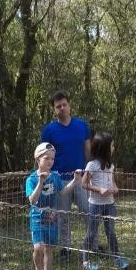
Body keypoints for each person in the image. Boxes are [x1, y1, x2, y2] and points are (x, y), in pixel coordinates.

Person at [40, 91, 91, 254]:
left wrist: (90, 173)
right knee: (62, 215)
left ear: (69, 106)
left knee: (88, 212)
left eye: (64, 105)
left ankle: (92, 244)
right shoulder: (49, 131)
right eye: (58, 106)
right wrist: (46, 177)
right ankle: (65, 247)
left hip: (81, 178)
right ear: (54, 109)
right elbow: (44, 156)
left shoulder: (82, 126)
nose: (62, 108)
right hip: (59, 180)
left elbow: (87, 150)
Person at [27, 142, 80, 270]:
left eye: (52, 158)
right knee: (38, 248)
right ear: (38, 159)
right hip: (37, 220)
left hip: (52, 219)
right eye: (46, 158)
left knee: (49, 248)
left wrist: (75, 181)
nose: (50, 161)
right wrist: (41, 182)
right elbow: (32, 200)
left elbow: (62, 192)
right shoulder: (31, 179)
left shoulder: (55, 177)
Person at [81, 132, 130, 270]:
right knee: (91, 232)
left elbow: (112, 182)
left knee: (111, 232)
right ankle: (85, 261)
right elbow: (84, 184)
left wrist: (115, 188)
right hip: (95, 205)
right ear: (104, 148)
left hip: (110, 204)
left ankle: (117, 257)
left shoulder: (110, 165)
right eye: (112, 145)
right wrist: (99, 189)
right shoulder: (92, 165)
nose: (114, 148)